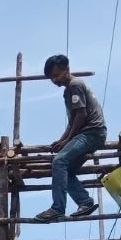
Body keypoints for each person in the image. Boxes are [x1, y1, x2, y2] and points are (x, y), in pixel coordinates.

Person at [34, 55, 107, 222]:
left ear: (67, 69)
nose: (55, 80)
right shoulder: (69, 90)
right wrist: (62, 140)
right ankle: (85, 202)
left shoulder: (75, 85)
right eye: (52, 77)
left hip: (92, 133)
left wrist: (67, 141)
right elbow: (73, 121)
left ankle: (57, 208)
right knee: (67, 170)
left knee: (59, 162)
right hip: (88, 133)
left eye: (57, 75)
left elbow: (81, 116)